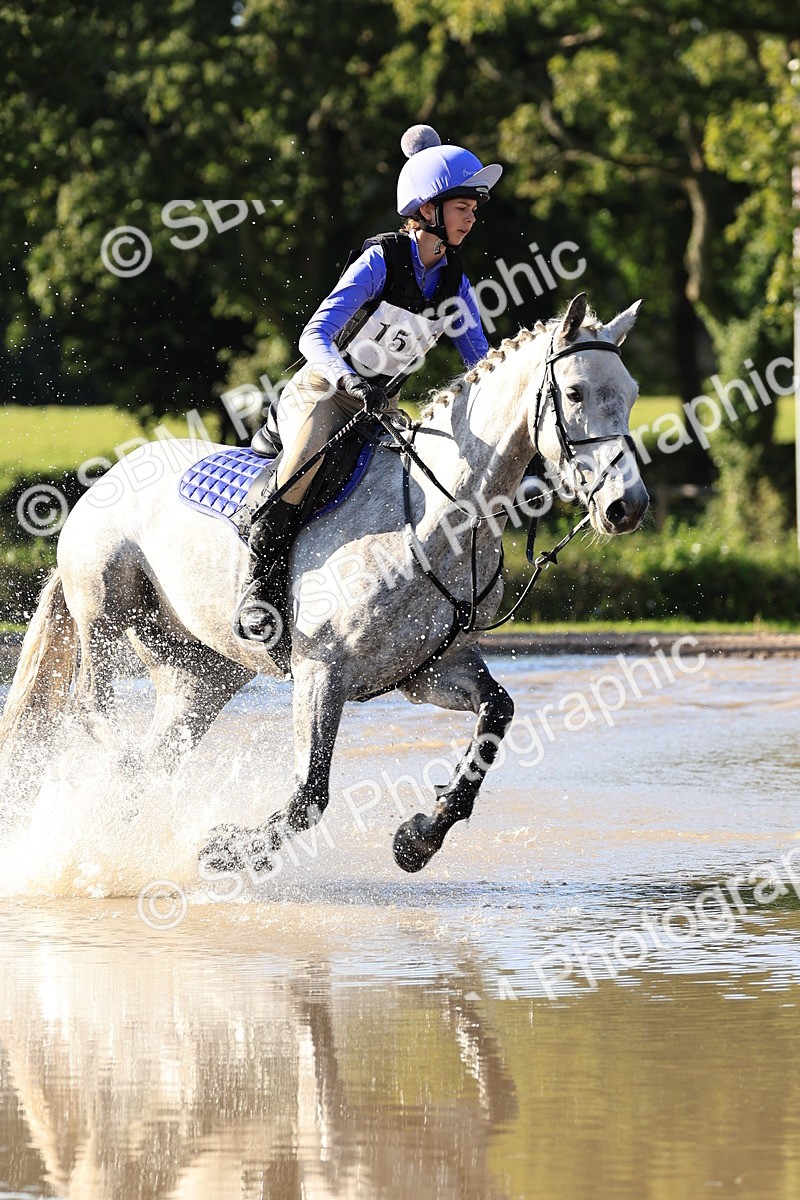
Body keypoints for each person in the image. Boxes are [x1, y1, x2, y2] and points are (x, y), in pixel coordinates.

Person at [235, 123, 502, 641]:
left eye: (474, 210)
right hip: (325, 394)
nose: (472, 218)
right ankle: (258, 587)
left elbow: (482, 368)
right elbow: (314, 335)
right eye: (463, 208)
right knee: (302, 469)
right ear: (426, 209)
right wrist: (350, 383)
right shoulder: (380, 261)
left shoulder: (454, 281)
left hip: (380, 412)